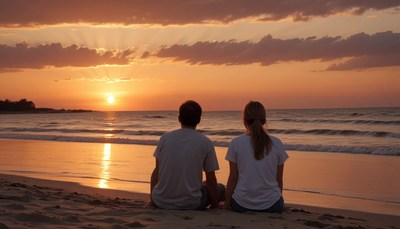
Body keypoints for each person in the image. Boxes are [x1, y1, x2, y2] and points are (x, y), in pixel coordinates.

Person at [149, 100, 224, 210]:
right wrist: (215, 205)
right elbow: (211, 179)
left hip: (161, 201)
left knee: (203, 184)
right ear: (199, 120)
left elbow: (157, 171)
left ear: (179, 118)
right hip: (191, 203)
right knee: (221, 188)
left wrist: (153, 199)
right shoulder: (205, 142)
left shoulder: (165, 138)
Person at [223, 101, 288, 213]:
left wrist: (227, 204)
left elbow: (233, 178)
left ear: (244, 120)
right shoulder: (277, 143)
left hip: (241, 204)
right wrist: (277, 201)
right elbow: (279, 180)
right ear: (264, 120)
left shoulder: (236, 143)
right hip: (273, 205)